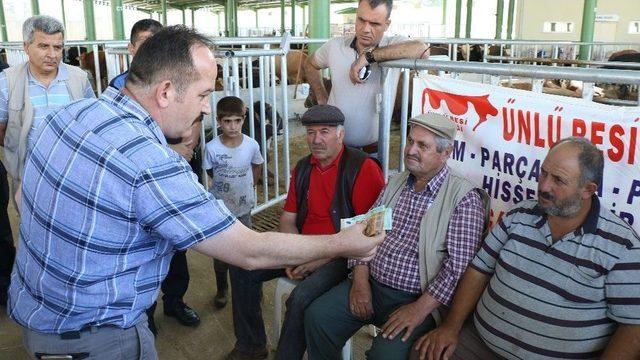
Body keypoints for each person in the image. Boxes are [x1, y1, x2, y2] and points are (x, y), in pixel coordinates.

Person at [8, 26, 384, 360]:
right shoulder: (151, 163)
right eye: (204, 94)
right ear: (167, 91)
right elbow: (248, 250)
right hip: (98, 337)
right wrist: (342, 243)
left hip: (37, 317)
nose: (207, 107)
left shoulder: (68, 116)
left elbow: (25, 195)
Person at [413, 137, 640, 360]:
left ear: (588, 190)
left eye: (558, 180)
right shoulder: (520, 214)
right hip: (481, 343)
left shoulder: (622, 246)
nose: (544, 186)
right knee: (423, 353)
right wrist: (450, 327)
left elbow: (633, 326)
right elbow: (478, 270)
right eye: (543, 173)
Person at [305, 113, 488, 359]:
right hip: (370, 284)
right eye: (410, 141)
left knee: (385, 356)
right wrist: (360, 282)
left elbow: (457, 269)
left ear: (445, 153)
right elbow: (366, 232)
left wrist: (418, 310)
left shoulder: (463, 198)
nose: (411, 150)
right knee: (318, 318)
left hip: (417, 299)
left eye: (423, 146)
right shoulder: (397, 182)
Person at [227, 105, 385, 360]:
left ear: (341, 135)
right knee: (242, 267)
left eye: (325, 131)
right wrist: (298, 253)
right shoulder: (303, 167)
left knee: (300, 298)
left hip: (342, 256)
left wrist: (316, 259)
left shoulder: (362, 168)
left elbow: (367, 233)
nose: (317, 139)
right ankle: (251, 345)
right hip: (304, 249)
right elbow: (288, 218)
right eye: (311, 132)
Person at [108, 17, 203, 334]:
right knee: (143, 246)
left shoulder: (179, 80)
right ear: (131, 48)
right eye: (145, 44)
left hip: (175, 166)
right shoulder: (118, 88)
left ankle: (175, 300)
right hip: (141, 180)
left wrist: (187, 149)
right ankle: (144, 313)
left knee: (177, 242)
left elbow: (194, 120)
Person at [303, 0, 427, 154]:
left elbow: (422, 50)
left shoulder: (393, 44)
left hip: (374, 151)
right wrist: (321, 97)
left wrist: (370, 57)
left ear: (387, 24)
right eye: (361, 20)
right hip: (335, 150)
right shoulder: (335, 46)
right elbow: (310, 64)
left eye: (375, 24)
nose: (366, 29)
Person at [0, 15, 94, 199]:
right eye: (43, 46)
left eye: (57, 47)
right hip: (28, 176)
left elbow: (91, 121)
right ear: (26, 47)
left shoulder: (79, 78)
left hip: (75, 175)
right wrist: (17, 149)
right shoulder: (7, 81)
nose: (52, 54)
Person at [204, 96, 264, 310]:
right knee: (220, 251)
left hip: (243, 206)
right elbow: (211, 171)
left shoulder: (251, 145)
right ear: (219, 121)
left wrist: (252, 184)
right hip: (220, 208)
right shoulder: (212, 147)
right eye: (227, 121)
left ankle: (253, 286)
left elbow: (257, 165)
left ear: (243, 119)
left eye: (237, 121)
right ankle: (222, 288)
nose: (232, 126)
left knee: (248, 247)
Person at [109, 18, 162, 90]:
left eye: (158, 44)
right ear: (131, 48)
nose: (151, 49)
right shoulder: (119, 84)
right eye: (144, 44)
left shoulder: (177, 79)